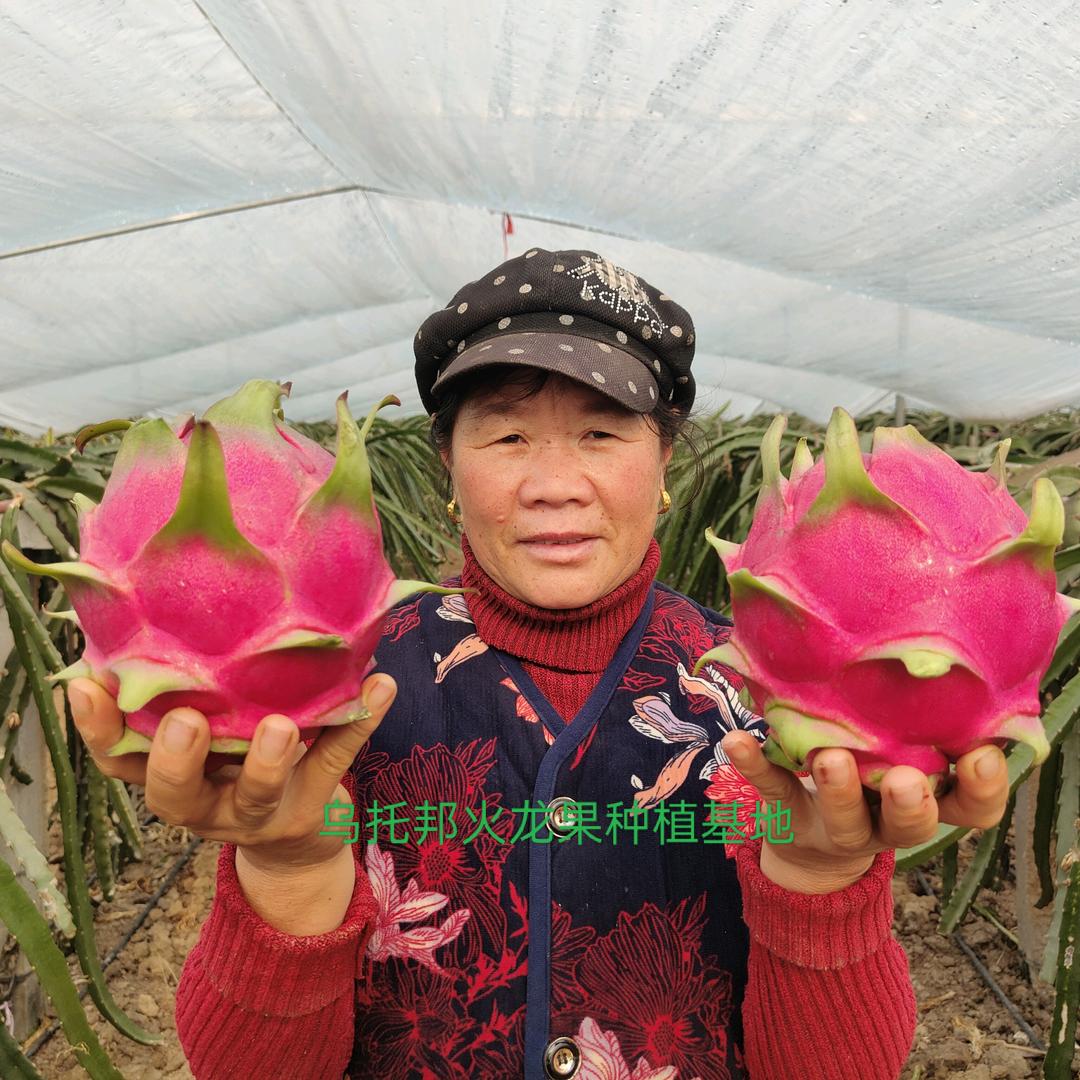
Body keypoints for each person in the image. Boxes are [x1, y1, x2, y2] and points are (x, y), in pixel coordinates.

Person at [70, 248, 1010, 1080]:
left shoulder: (772, 704)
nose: (555, 482)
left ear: (666, 460)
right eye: (508, 434)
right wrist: (283, 865)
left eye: (603, 433)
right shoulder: (337, 693)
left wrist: (824, 878)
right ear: (448, 467)